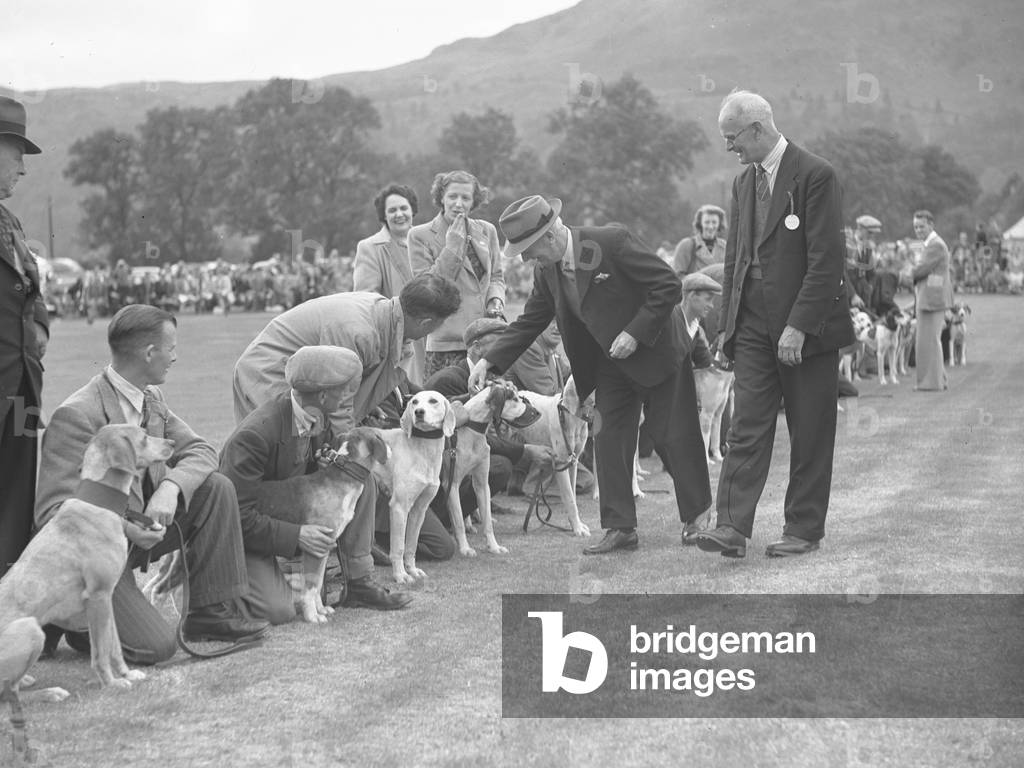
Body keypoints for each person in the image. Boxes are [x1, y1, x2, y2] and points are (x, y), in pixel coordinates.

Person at [467, 195, 712, 555]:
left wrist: (634, 332)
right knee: (609, 438)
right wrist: (490, 360)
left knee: (672, 437)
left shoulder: (611, 242)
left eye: (529, 249)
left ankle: (698, 517)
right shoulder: (545, 270)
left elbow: (668, 286)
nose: (526, 258)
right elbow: (531, 320)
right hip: (608, 363)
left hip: (655, 350)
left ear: (550, 237)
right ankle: (620, 528)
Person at [36, 305, 269, 662]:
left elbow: (202, 450)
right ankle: (75, 623)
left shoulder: (150, 398)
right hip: (93, 559)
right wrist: (128, 528)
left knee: (216, 487)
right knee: (156, 647)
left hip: (135, 539)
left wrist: (170, 487)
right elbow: (52, 513)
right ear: (149, 353)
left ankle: (210, 614)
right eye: (171, 348)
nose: (175, 357)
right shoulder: (77, 415)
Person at [695, 89, 854, 560]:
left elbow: (827, 261)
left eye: (733, 138)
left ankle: (803, 529)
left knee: (809, 429)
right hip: (752, 324)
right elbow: (734, 260)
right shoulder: (744, 183)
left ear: (757, 129)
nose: (730, 148)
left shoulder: (817, 175)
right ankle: (730, 527)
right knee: (746, 426)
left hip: (806, 327)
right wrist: (727, 328)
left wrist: (799, 326)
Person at [220, 345, 412, 622]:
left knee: (360, 478)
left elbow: (312, 477)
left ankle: (358, 581)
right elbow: (235, 514)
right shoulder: (255, 435)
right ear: (323, 395)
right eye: (345, 391)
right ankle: (222, 582)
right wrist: (297, 534)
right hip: (244, 533)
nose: (349, 397)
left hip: (288, 512)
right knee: (279, 610)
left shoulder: (317, 415)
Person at [233, 274, 460, 435]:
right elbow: (337, 403)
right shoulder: (360, 332)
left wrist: (366, 405)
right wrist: (348, 448)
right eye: (441, 324)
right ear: (425, 323)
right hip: (269, 372)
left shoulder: (385, 315)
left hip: (286, 372)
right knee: (286, 453)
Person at [0, 96, 49, 578]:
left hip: (19, 388)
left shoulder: (9, 221)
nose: (22, 169)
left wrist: (39, 326)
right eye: (17, 153)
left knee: (15, 501)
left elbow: (31, 288)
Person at [409, 170, 506, 379]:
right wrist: (452, 247)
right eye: (453, 196)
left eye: (466, 197)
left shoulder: (487, 230)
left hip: (485, 343)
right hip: (445, 346)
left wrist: (495, 301)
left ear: (474, 201)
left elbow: (496, 277)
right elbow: (428, 288)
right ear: (441, 198)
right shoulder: (419, 236)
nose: (458, 203)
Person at [353, 183, 425, 386]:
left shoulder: (425, 240)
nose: (399, 214)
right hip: (397, 338)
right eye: (392, 210)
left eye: (404, 208)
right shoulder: (370, 247)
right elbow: (366, 298)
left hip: (431, 335)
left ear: (413, 210)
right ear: (383, 215)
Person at [909, 210, 952, 391]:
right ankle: (939, 380)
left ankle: (930, 383)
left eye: (921, 226)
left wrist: (901, 277)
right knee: (932, 340)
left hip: (931, 298)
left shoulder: (935, 245)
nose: (918, 230)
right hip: (932, 296)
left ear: (931, 225)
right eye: (916, 227)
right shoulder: (932, 244)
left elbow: (921, 270)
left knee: (928, 341)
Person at [672, 204, 727, 278]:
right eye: (707, 222)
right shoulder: (686, 245)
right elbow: (678, 276)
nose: (710, 227)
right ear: (700, 223)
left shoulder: (725, 246)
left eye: (714, 222)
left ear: (719, 224)